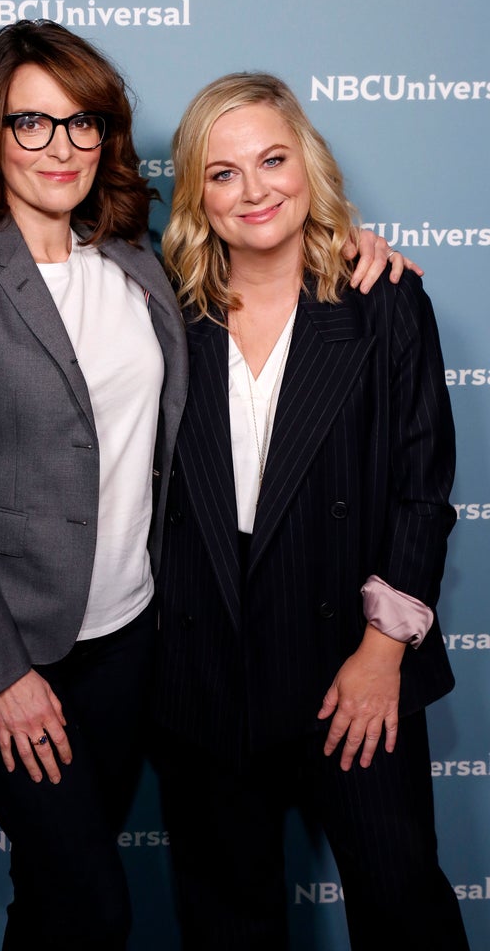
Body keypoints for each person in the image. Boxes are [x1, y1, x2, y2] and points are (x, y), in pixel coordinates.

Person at [0, 19, 413, 949]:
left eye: (82, 122)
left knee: (51, 890)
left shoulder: (139, 268)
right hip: (17, 652)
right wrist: (1, 674)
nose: (61, 146)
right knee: (90, 901)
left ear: (106, 137)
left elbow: (267, 250)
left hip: (132, 647)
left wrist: (352, 242)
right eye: (31, 123)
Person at [154, 72, 468, 951]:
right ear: (195, 193)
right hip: (204, 665)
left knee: (402, 904)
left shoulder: (384, 301)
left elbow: (421, 491)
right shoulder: (159, 310)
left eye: (272, 160)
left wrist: (381, 654)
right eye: (222, 173)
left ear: (309, 164)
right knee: (228, 924)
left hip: (351, 660)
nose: (253, 191)